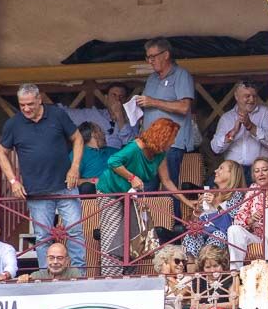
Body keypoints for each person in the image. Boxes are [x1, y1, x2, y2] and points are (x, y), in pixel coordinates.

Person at [0, 83, 85, 269]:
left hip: (65, 185)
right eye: (22, 105)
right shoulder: (13, 124)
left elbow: (77, 138)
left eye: (30, 104)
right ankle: (47, 274)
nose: (26, 109)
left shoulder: (57, 114)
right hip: (36, 192)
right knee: (42, 237)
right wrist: (13, 181)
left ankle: (80, 274)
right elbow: (1, 152)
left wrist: (75, 167)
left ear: (39, 99)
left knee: (75, 231)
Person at [96, 118, 182, 277]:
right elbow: (113, 161)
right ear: (163, 136)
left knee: (134, 236)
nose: (174, 141)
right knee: (113, 235)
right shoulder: (136, 146)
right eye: (173, 137)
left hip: (131, 195)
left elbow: (167, 181)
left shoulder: (160, 153)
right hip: (111, 192)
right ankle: (110, 279)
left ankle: (128, 278)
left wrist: (187, 202)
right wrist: (131, 177)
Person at [138, 38, 198, 220]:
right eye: (147, 57)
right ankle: (146, 231)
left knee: (168, 186)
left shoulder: (181, 75)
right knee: (146, 187)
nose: (150, 61)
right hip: (149, 143)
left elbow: (184, 107)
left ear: (166, 55)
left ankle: (174, 229)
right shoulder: (151, 79)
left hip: (171, 143)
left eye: (153, 57)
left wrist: (153, 102)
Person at [181, 160, 246, 257]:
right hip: (203, 232)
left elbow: (231, 225)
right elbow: (193, 224)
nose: (215, 171)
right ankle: (192, 269)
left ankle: (210, 269)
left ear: (231, 174)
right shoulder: (210, 193)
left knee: (216, 237)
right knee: (192, 235)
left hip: (221, 237)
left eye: (221, 168)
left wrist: (216, 204)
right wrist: (197, 212)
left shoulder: (236, 195)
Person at [210, 80, 268, 171]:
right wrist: (233, 132)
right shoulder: (227, 118)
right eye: (247, 96)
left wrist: (250, 126)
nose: (252, 100)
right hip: (234, 172)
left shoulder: (265, 113)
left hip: (259, 171)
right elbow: (216, 149)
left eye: (254, 96)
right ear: (236, 96)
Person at [66, 82, 139, 150]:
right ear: (106, 98)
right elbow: (65, 113)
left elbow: (131, 144)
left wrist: (119, 116)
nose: (117, 99)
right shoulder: (95, 114)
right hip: (97, 159)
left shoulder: (132, 118)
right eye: (114, 95)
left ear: (126, 100)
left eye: (121, 96)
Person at [78, 121, 117, 194]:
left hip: (117, 188)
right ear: (92, 134)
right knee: (86, 187)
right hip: (95, 191)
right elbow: (72, 181)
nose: (103, 134)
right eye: (100, 131)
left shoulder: (113, 151)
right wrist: (92, 180)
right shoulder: (79, 153)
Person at [17, 241, 84, 282]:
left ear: (67, 260)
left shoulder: (74, 274)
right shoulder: (37, 276)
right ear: (46, 259)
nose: (55, 262)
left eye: (59, 258)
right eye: (51, 258)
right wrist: (23, 279)